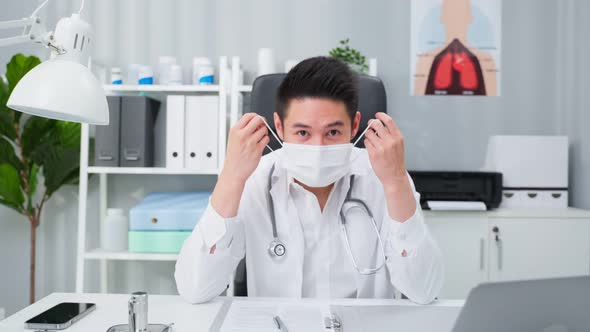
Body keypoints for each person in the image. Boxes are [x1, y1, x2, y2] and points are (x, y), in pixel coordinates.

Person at [175, 56, 443, 304]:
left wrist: (396, 182)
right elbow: (195, 289)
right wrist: (231, 178)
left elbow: (424, 290)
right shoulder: (254, 177)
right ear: (279, 127)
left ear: (354, 126)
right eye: (303, 132)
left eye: (333, 132)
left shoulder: (384, 176)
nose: (318, 147)